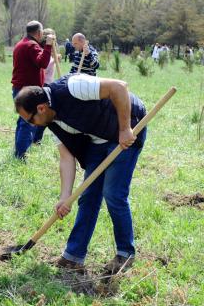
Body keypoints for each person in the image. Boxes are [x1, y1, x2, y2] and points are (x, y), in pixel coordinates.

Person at [14, 73, 147, 274]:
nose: (32, 125)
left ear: (41, 108)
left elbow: (119, 87)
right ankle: (73, 257)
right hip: (98, 140)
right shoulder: (51, 122)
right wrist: (65, 197)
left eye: (31, 119)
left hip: (128, 126)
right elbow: (66, 158)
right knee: (88, 197)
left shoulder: (73, 87)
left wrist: (125, 129)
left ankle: (125, 254)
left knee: (113, 193)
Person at [11, 20, 54, 159]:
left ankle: (18, 152)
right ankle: (21, 155)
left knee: (23, 121)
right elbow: (43, 63)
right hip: (27, 91)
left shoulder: (20, 43)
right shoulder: (31, 45)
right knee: (28, 121)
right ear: (39, 33)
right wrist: (47, 46)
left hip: (19, 88)